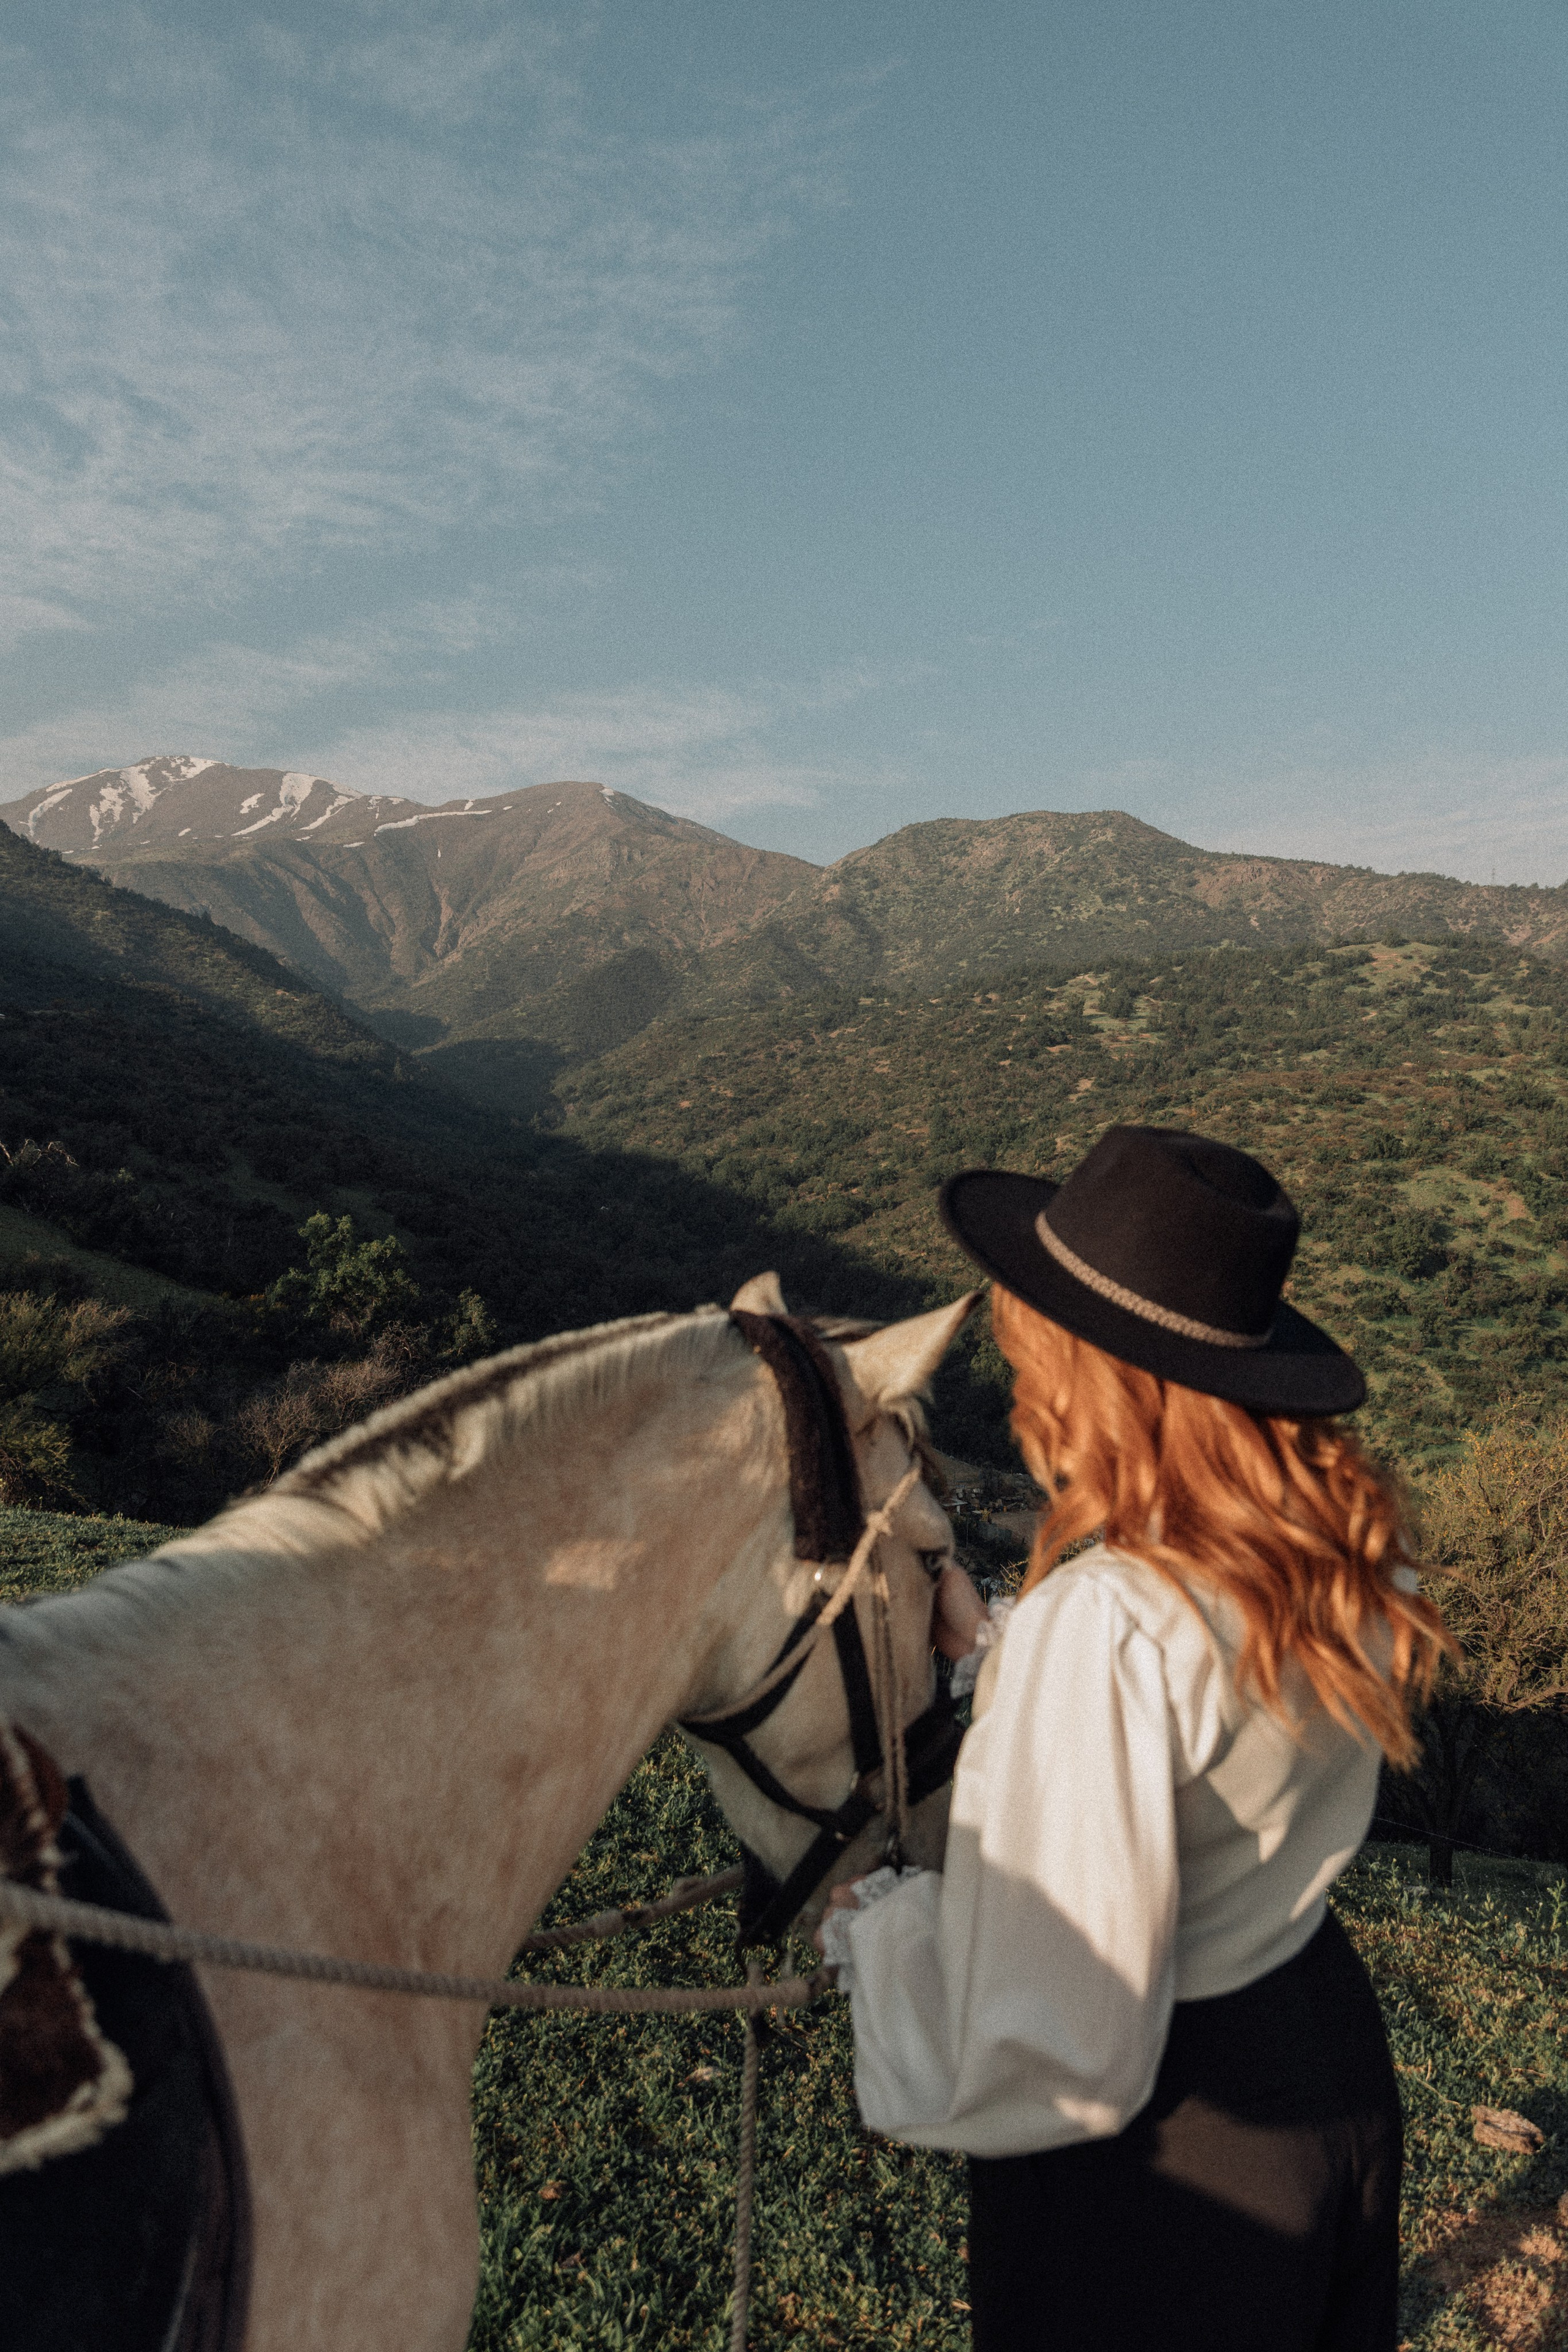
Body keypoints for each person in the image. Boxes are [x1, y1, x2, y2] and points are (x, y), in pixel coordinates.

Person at [816, 1125, 1449, 2352]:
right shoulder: (1351, 1561)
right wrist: (997, 1653)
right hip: (1318, 2054)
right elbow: (1193, 1725)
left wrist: (881, 1936)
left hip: (1173, 2152)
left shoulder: (1104, 1621)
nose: (1019, 1384)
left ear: (1099, 1380)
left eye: (1031, 1353)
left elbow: (1050, 2036)